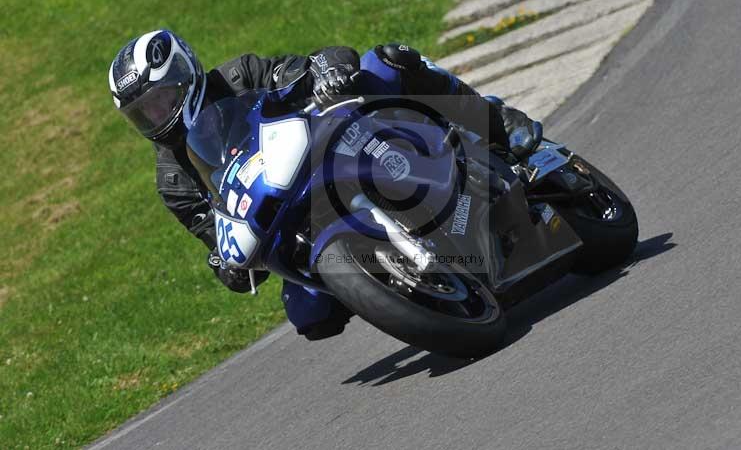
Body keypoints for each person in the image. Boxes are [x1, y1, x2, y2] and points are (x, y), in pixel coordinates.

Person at [108, 29, 540, 339]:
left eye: (161, 99)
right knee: (312, 317)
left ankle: (494, 122)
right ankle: (413, 291)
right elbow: (214, 236)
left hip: (330, 152)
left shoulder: (240, 76)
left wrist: (328, 70)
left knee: (387, 61)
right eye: (143, 113)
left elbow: (304, 67)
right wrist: (225, 266)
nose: (157, 116)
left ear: (184, 74)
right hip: (290, 221)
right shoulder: (173, 181)